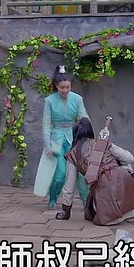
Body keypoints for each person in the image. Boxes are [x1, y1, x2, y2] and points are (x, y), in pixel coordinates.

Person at [56, 117, 134, 226]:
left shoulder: (73, 154)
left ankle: (110, 210)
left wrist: (66, 211)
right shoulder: (102, 143)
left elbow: (69, 186)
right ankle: (125, 207)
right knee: (126, 166)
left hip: (107, 204)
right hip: (127, 204)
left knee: (99, 183)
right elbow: (129, 158)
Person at [34, 65, 90, 209]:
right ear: (56, 86)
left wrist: (86, 133)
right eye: (62, 88)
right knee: (60, 174)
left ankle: (86, 202)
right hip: (57, 139)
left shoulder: (77, 99)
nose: (65, 90)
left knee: (81, 172)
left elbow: (83, 117)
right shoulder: (49, 101)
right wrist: (47, 145)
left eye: (67, 87)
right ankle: (53, 198)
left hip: (74, 138)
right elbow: (46, 124)